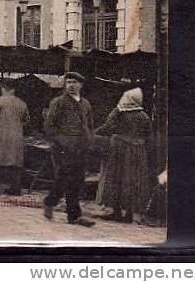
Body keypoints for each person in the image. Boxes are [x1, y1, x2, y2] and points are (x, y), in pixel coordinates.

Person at [43, 71, 95, 227]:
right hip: (64, 148)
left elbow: (89, 125)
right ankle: (74, 216)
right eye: (68, 82)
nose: (71, 85)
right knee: (68, 178)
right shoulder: (58, 102)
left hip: (81, 148)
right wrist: (61, 142)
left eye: (75, 82)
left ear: (81, 85)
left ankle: (50, 201)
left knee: (75, 180)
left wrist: (89, 140)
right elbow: (49, 126)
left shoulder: (86, 104)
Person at [94, 87, 152, 223]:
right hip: (138, 152)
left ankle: (116, 211)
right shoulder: (144, 116)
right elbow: (149, 134)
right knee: (132, 181)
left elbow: (108, 127)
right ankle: (129, 214)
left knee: (116, 179)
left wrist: (92, 133)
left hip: (119, 149)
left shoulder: (119, 112)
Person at [0, 79, 29, 196]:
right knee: (15, 162)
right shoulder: (22, 103)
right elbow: (27, 121)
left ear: (2, 88)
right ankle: (15, 189)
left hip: (0, 136)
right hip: (17, 137)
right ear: (14, 89)